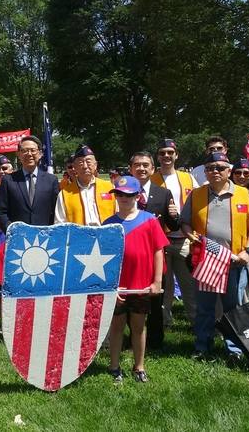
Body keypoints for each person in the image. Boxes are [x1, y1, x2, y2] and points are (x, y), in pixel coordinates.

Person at [181, 152, 249, 364]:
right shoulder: (196, 195)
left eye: (219, 167)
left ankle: (234, 349)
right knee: (205, 308)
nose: (214, 171)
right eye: (209, 168)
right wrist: (190, 235)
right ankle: (202, 346)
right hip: (206, 262)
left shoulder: (244, 194)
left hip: (235, 262)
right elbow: (185, 222)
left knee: (233, 308)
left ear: (228, 171)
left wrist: (248, 250)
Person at [103, 176, 168, 383]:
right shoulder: (109, 224)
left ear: (138, 196)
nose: (123, 198)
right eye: (119, 194)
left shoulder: (149, 220)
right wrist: (110, 287)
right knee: (116, 325)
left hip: (141, 284)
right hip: (118, 286)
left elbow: (159, 250)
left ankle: (139, 366)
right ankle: (114, 366)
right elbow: (104, 259)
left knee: (139, 325)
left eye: (129, 195)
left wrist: (157, 281)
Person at [128, 151, 179, 347]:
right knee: (131, 296)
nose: (141, 168)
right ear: (131, 168)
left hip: (155, 254)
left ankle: (156, 339)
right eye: (137, 165)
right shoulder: (124, 191)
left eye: (145, 165)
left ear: (152, 168)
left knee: (156, 296)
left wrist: (174, 216)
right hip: (131, 255)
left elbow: (174, 227)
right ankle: (133, 338)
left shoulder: (163, 193)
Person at [149, 139, 199, 326]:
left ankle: (196, 322)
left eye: (170, 152)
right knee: (164, 284)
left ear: (176, 155)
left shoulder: (188, 178)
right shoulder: (151, 179)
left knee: (189, 284)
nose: (166, 156)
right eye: (162, 153)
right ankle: (164, 322)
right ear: (158, 157)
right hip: (160, 241)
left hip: (184, 239)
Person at [0, 135, 60, 228]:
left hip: (44, 237)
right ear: (19, 154)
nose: (29, 154)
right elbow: (0, 212)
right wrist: (13, 231)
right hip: (18, 238)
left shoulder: (51, 180)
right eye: (24, 150)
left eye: (33, 150)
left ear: (40, 153)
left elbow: (56, 211)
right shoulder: (8, 180)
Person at [55, 144, 115, 225]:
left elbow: (120, 215)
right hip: (78, 237)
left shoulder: (110, 188)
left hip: (107, 236)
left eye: (88, 162)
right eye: (80, 163)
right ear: (74, 167)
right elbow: (59, 225)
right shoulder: (64, 194)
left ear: (95, 165)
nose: (85, 166)